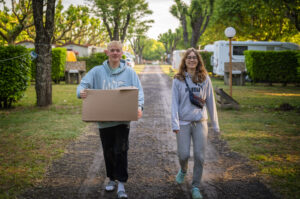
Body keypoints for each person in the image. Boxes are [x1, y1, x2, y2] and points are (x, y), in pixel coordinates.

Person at [77, 41, 144, 199]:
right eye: (112, 50)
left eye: (118, 51)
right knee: (108, 151)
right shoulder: (97, 71)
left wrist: (139, 107)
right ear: (107, 52)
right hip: (104, 121)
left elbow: (139, 92)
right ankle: (112, 179)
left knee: (120, 150)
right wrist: (81, 92)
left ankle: (121, 183)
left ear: (122, 53)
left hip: (122, 121)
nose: (115, 53)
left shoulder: (130, 73)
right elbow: (82, 85)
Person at [171, 48, 220, 199]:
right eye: (189, 58)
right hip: (184, 123)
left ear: (198, 61)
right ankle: (184, 169)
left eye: (194, 58)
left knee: (200, 156)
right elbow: (174, 103)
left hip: (200, 122)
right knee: (183, 154)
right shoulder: (178, 79)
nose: (192, 60)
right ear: (184, 61)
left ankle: (196, 186)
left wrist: (215, 124)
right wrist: (175, 123)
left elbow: (211, 102)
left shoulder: (205, 78)